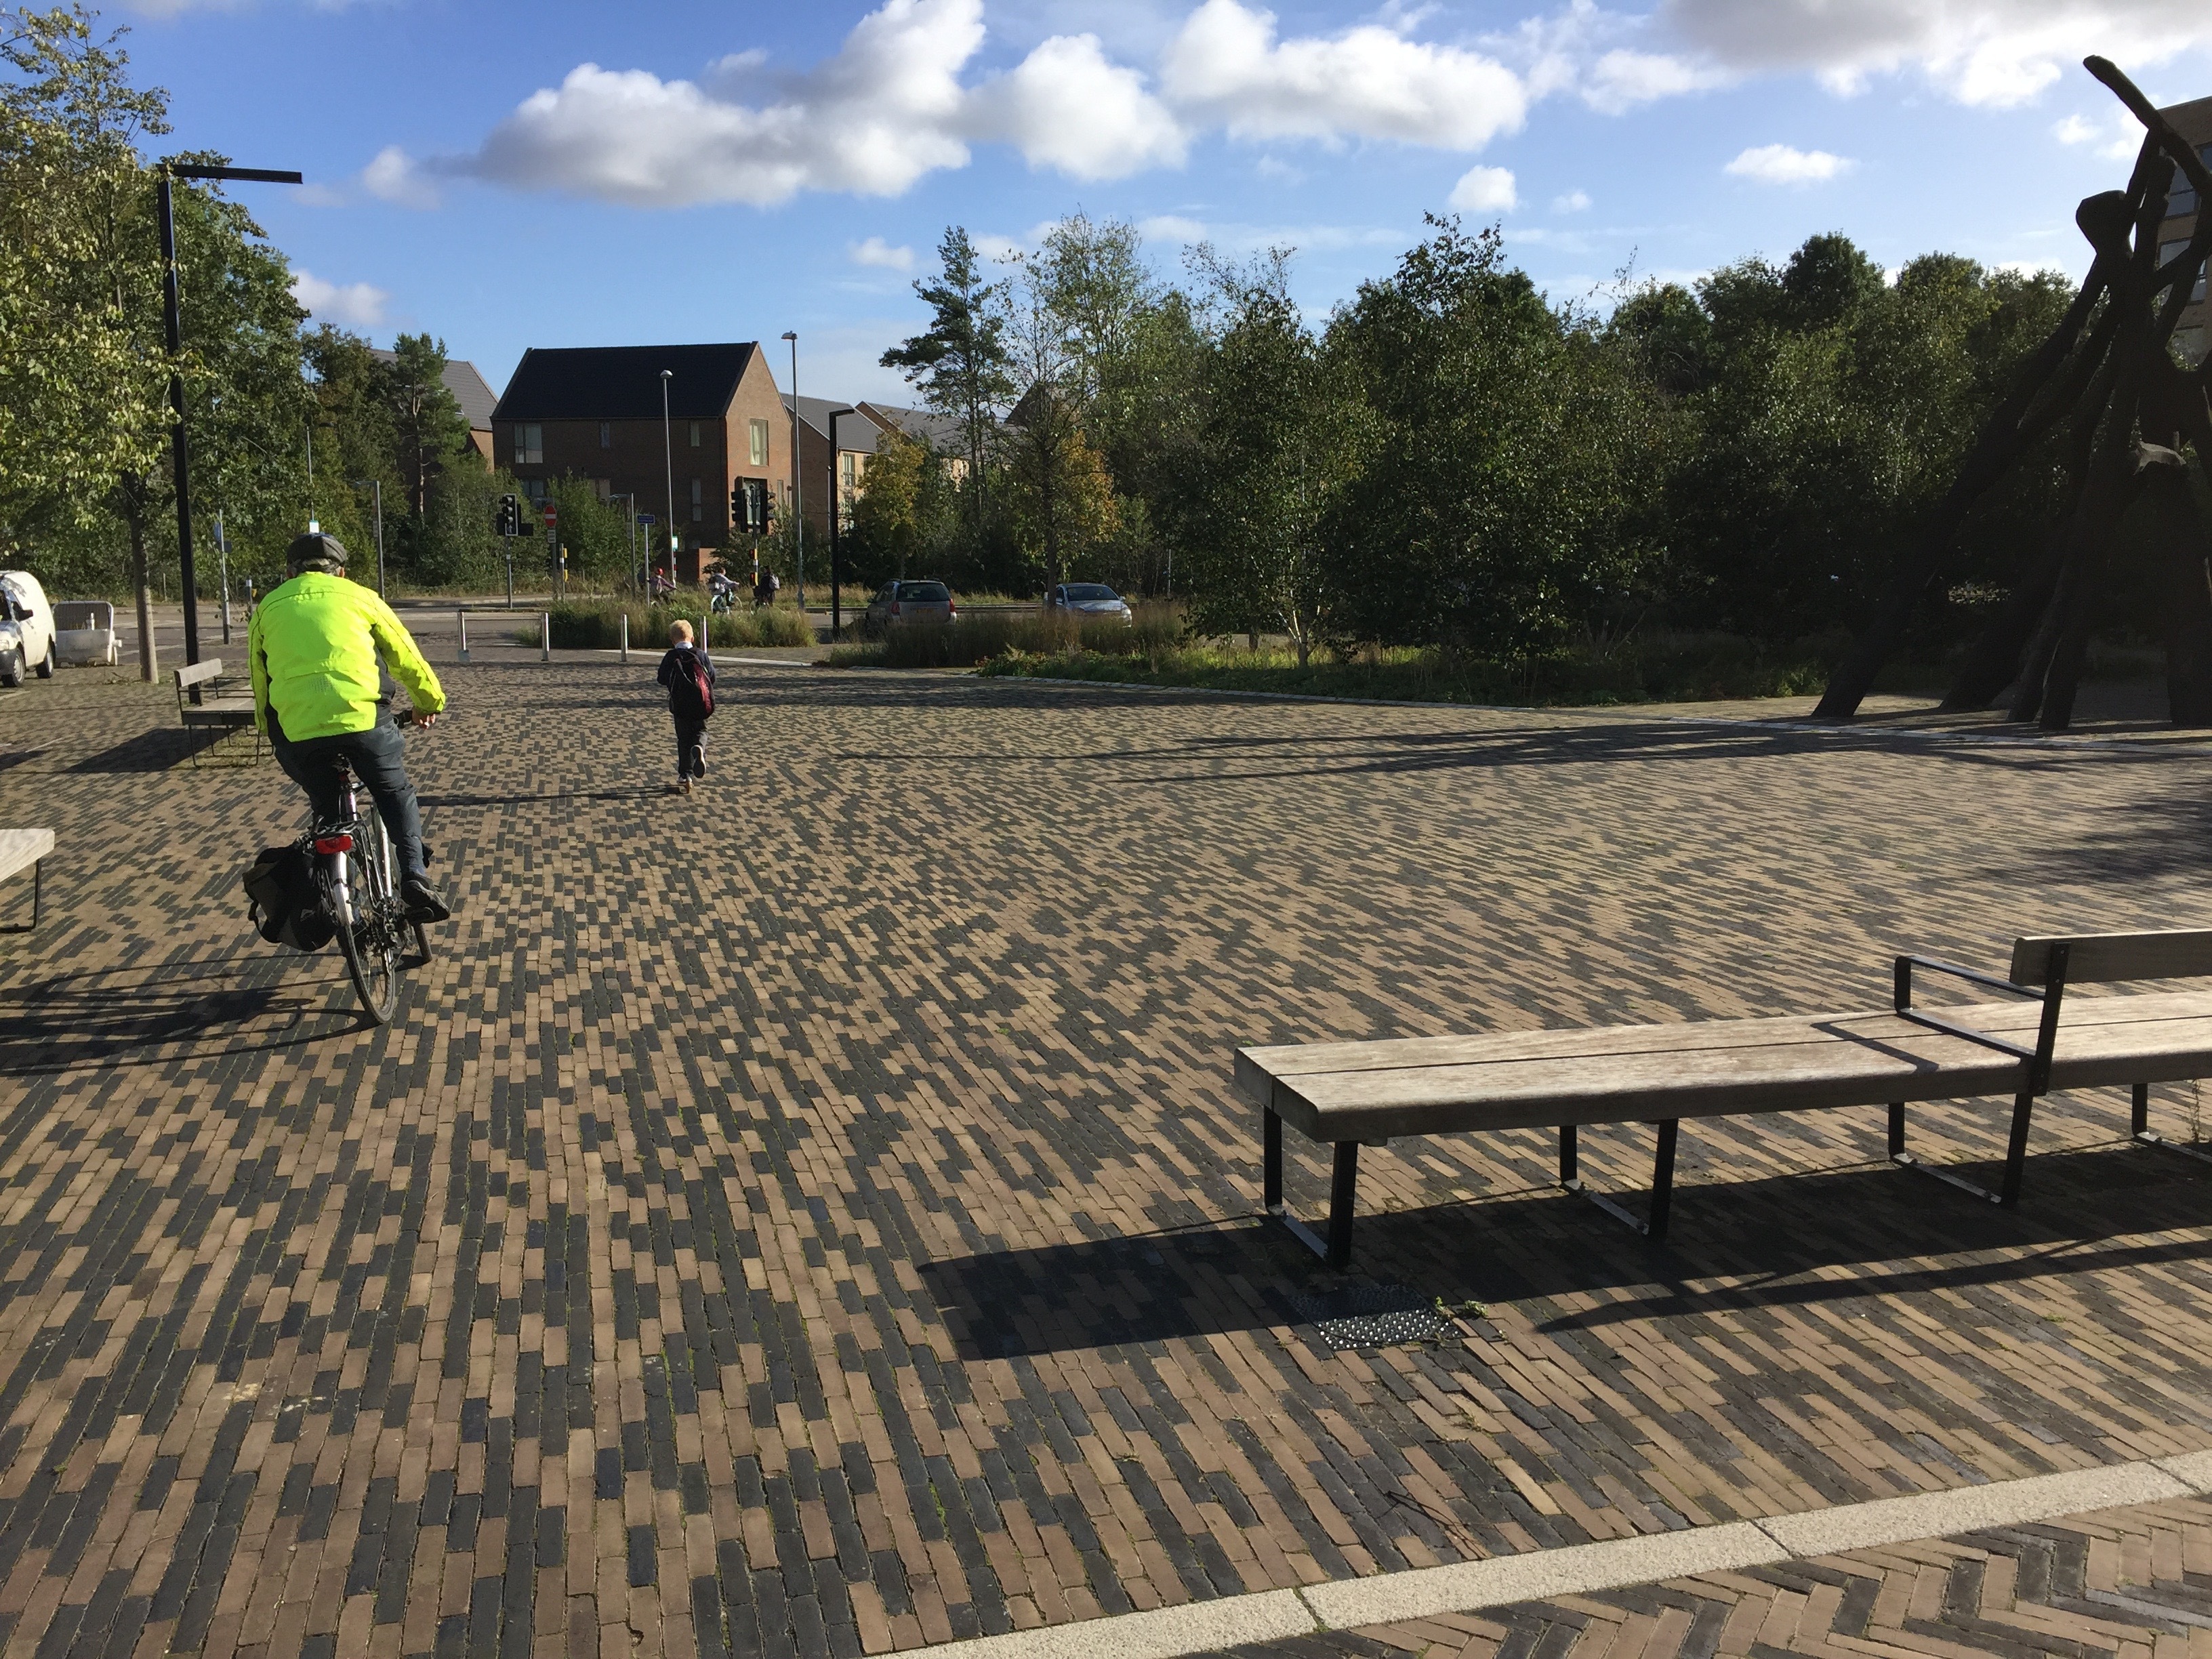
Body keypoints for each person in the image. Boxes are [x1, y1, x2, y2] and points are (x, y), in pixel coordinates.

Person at [249, 531, 453, 922]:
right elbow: (405, 657)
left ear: (290, 572)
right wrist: (430, 703)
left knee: (327, 809)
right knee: (395, 791)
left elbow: (261, 682)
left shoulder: (267, 609)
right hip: (366, 725)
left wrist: (271, 731)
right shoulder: (361, 598)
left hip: (300, 736)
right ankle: (414, 874)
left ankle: (333, 892)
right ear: (340, 572)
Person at [655, 619, 716, 794]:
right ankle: (699, 746)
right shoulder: (701, 655)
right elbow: (712, 676)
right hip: (700, 703)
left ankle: (685, 775)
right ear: (693, 638)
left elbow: (661, 678)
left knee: (683, 738)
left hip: (680, 706)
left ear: (672, 640)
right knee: (701, 731)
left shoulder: (670, 656)